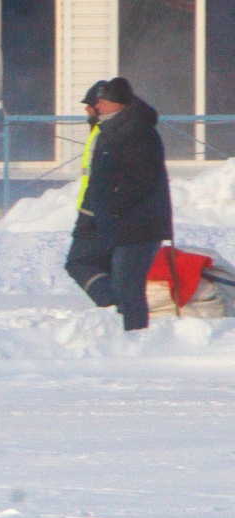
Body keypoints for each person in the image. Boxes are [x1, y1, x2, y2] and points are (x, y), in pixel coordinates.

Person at [66, 77, 173, 332]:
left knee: (128, 284)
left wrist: (111, 207)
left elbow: (140, 179)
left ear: (117, 103)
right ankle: (121, 327)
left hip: (136, 223)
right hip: (112, 219)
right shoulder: (109, 131)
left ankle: (134, 340)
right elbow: (100, 179)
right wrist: (95, 213)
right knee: (110, 276)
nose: (96, 106)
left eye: (102, 102)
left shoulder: (138, 132)